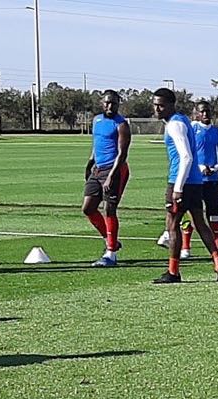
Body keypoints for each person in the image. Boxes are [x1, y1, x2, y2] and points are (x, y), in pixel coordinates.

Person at [150, 88, 218, 284]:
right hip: (195, 180)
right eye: (155, 104)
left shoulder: (175, 125)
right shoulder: (183, 120)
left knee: (173, 225)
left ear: (171, 104)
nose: (157, 108)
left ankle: (173, 271)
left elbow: (186, 156)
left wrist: (177, 188)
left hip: (181, 180)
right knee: (200, 224)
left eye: (160, 105)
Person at [84, 90, 130, 267]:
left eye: (113, 103)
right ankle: (111, 240)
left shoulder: (121, 125)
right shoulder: (96, 120)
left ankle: (111, 253)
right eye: (106, 102)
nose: (109, 106)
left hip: (115, 170)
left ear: (118, 104)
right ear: (101, 103)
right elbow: (97, 145)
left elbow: (122, 153)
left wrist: (111, 176)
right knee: (88, 208)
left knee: (109, 209)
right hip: (98, 169)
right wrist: (90, 164)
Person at [180, 99, 218, 262]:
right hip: (194, 179)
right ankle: (186, 248)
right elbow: (187, 152)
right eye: (202, 111)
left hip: (212, 179)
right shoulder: (192, 129)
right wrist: (201, 167)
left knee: (214, 213)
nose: (205, 114)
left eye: (207, 111)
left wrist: (214, 168)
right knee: (191, 213)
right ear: (196, 114)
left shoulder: (216, 132)